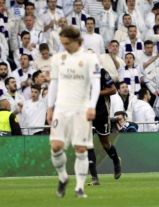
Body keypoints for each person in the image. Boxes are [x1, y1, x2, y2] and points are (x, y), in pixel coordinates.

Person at [47, 26, 101, 198]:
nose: (64, 46)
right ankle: (63, 177)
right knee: (56, 147)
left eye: (67, 43)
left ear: (77, 41)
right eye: (62, 43)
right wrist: (50, 106)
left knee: (80, 149)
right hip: (61, 109)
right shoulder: (58, 58)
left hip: (81, 109)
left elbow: (96, 84)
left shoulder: (89, 58)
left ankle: (79, 187)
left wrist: (92, 105)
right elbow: (53, 83)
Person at [87, 67, 121, 186]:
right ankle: (94, 177)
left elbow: (113, 90)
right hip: (86, 114)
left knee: (105, 143)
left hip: (101, 113)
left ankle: (116, 160)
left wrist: (95, 93)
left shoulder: (101, 72)